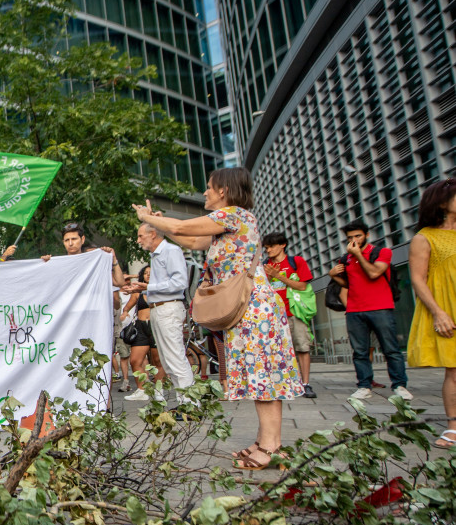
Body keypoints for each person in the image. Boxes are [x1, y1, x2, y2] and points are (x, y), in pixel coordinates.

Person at [134, 168, 303, 468]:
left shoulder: (234, 215)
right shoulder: (227, 225)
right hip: (247, 309)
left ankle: (272, 446)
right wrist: (162, 226)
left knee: (262, 377)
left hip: (254, 309)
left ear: (223, 190)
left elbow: (184, 228)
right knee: (256, 375)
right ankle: (266, 440)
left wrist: (148, 219)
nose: (205, 193)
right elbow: (190, 240)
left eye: (209, 187)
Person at [327, 220, 411, 401]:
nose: (354, 240)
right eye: (350, 237)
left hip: (381, 307)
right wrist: (334, 276)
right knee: (360, 352)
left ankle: (399, 385)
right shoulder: (346, 258)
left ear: (367, 235)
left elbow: (374, 273)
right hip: (355, 310)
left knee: (391, 349)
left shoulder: (381, 252)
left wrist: (358, 254)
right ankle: (364, 385)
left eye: (358, 236)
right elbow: (349, 284)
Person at [407, 178, 456, 447]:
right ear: (441, 203)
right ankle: (453, 426)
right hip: (448, 307)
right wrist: (438, 312)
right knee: (455, 371)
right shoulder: (424, 237)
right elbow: (418, 280)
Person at [124, 222, 193, 396]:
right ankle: (185, 403)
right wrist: (144, 289)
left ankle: (191, 405)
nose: (138, 240)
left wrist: (149, 286)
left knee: (175, 359)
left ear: (153, 234)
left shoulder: (171, 251)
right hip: (159, 309)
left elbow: (179, 282)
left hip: (168, 308)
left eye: (141, 236)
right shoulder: (156, 255)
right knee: (167, 361)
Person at [262, 232, 317, 399]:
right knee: (278, 350)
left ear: (282, 245)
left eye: (271, 246)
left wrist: (278, 276)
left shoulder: (296, 262)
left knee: (302, 347)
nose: (268, 250)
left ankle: (305, 383)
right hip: (274, 315)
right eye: (266, 247)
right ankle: (285, 383)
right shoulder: (265, 265)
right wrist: (268, 276)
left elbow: (302, 285)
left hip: (294, 312)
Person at [123, 267, 166, 401]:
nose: (148, 275)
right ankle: (142, 389)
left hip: (156, 326)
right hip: (141, 327)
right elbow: (127, 307)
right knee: (135, 360)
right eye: (145, 273)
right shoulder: (138, 293)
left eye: (151, 273)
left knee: (157, 360)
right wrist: (124, 313)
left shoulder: (160, 291)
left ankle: (159, 390)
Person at [37, 222, 126, 285]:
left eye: (74, 239)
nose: (70, 243)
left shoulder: (94, 262)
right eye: (67, 240)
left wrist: (114, 259)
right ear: (63, 242)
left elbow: (120, 282)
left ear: (82, 239)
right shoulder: (58, 264)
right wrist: (44, 265)